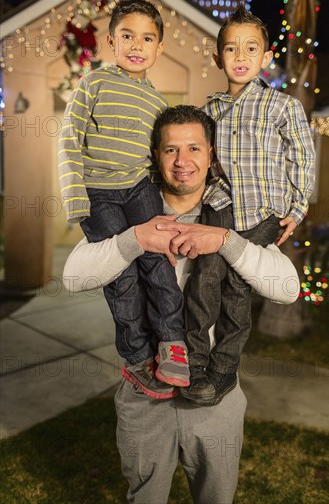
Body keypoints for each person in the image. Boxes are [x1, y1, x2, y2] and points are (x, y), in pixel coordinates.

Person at [63, 105, 300, 503]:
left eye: (193, 148)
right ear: (156, 156)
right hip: (144, 392)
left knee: (216, 496)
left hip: (215, 400)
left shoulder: (234, 214)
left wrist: (225, 242)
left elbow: (288, 288)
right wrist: (136, 238)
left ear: (211, 155)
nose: (183, 161)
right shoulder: (132, 214)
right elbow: (73, 277)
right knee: (145, 496)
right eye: (171, 150)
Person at [160, 7, 316, 403]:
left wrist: (297, 209)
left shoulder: (283, 107)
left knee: (235, 292)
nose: (241, 56)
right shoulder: (208, 110)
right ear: (218, 58)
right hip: (220, 207)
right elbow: (199, 160)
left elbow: (302, 157)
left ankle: (223, 370)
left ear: (266, 57)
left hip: (262, 211)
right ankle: (194, 368)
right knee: (203, 282)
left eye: (251, 49)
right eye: (231, 49)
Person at [58, 0, 188, 389]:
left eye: (147, 38)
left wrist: (169, 202)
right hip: (99, 194)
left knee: (157, 264)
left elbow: (157, 157)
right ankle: (135, 356)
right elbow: (69, 139)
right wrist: (76, 197)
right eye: (127, 36)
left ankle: (172, 342)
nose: (136, 45)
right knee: (122, 274)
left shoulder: (158, 103)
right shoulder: (94, 83)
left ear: (158, 48)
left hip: (139, 190)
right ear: (112, 41)